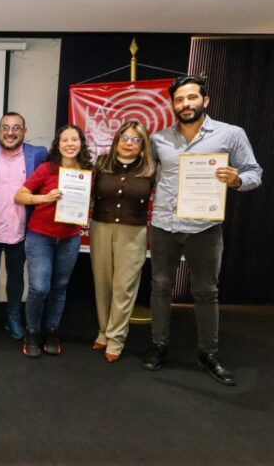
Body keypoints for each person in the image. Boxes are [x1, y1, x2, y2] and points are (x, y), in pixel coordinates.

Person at [141, 76, 262, 386]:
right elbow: (148, 175)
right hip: (164, 225)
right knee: (160, 287)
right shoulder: (159, 139)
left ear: (205, 101)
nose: (186, 104)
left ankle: (209, 353)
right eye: (179, 99)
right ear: (173, 104)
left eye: (192, 97)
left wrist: (237, 179)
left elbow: (254, 173)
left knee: (206, 292)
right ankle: (159, 345)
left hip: (205, 228)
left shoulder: (231, 134)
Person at [14, 124, 93, 358]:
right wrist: (45, 198)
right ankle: (32, 332)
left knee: (59, 287)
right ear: (58, 145)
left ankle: (52, 331)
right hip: (41, 236)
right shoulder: (47, 169)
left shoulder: (88, 172)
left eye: (74, 140)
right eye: (65, 140)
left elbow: (91, 200)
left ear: (81, 143)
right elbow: (20, 196)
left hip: (69, 238)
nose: (70, 144)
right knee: (39, 288)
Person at [0, 112, 47, 340]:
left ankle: (13, 318)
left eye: (16, 128)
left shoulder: (38, 154)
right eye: (5, 127)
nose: (10, 132)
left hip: (21, 229)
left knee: (16, 276)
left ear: (24, 132)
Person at [89, 120, 155, 363]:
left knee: (124, 287)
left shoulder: (151, 168)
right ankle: (103, 331)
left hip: (133, 233)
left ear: (143, 145)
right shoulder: (101, 164)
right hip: (101, 228)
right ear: (116, 140)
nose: (129, 143)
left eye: (136, 140)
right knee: (102, 283)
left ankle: (116, 337)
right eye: (124, 138)